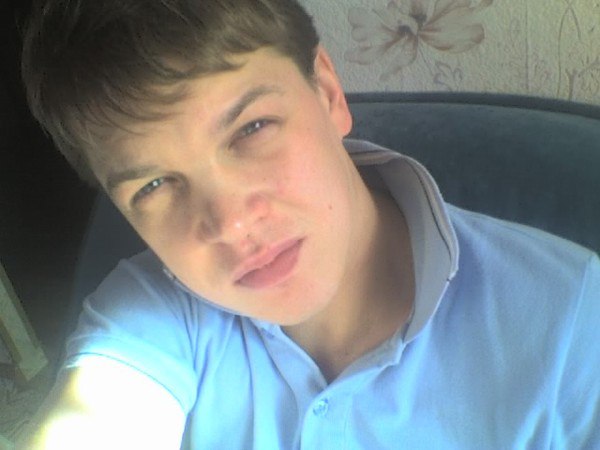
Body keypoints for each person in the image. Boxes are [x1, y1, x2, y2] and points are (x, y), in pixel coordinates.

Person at [18, 0, 600, 448]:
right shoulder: (149, 310)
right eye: (154, 185)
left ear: (327, 92)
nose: (232, 224)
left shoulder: (575, 321)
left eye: (251, 129)